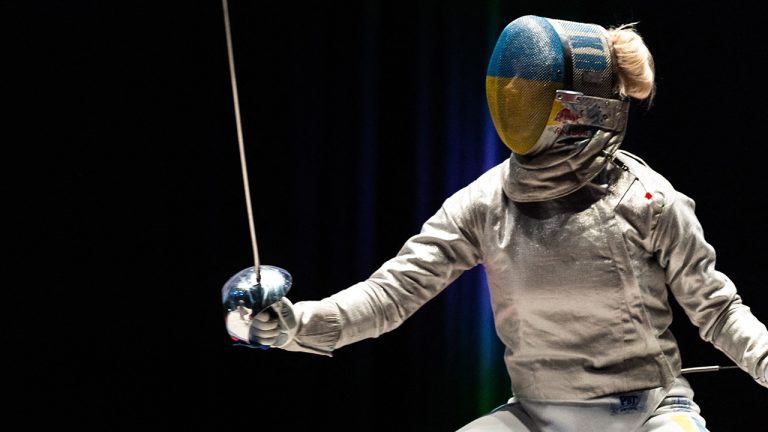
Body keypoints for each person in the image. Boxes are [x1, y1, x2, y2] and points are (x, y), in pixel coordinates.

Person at [226, 15, 768, 431]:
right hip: (534, 416)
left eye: (527, 87)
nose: (510, 95)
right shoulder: (484, 204)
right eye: (507, 83)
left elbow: (719, 312)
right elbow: (389, 296)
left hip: (648, 411)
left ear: (577, 108)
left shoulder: (649, 200)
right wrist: (294, 324)